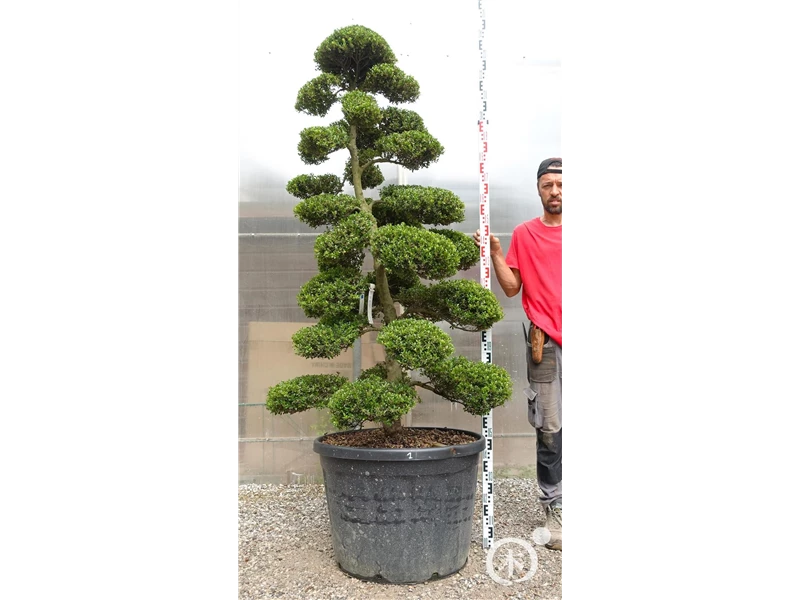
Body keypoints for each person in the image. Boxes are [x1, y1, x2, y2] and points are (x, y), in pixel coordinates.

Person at [473, 157, 563, 551]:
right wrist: (495, 252)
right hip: (546, 343)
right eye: (547, 185)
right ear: (539, 190)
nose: (555, 191)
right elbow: (512, 287)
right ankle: (554, 507)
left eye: (560, 184)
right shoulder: (525, 234)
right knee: (550, 428)